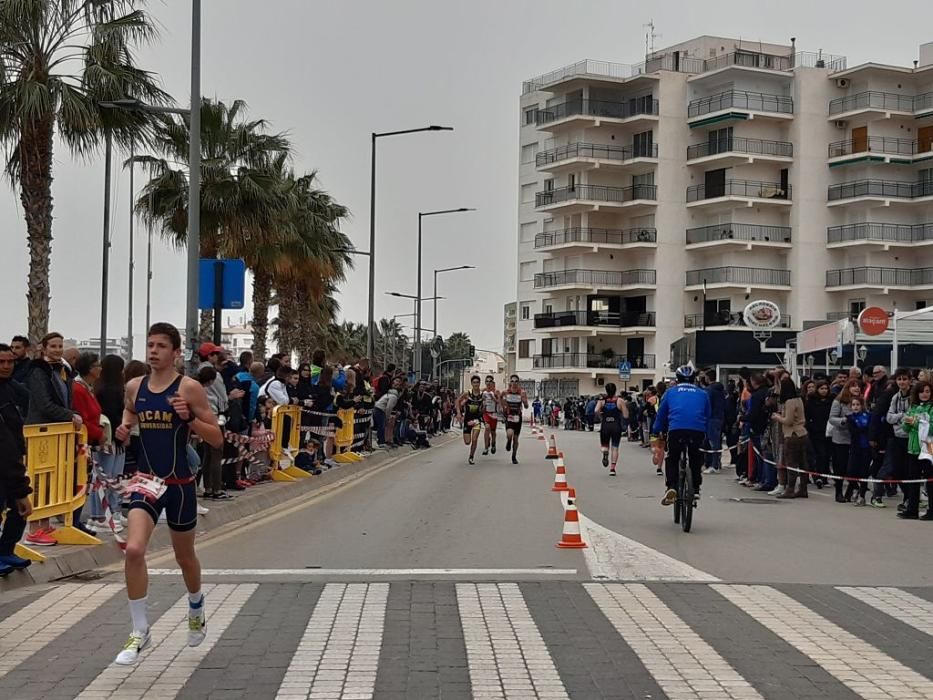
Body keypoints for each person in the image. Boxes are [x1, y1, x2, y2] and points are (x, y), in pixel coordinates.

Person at [113, 322, 222, 665]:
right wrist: (125, 425)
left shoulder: (188, 388)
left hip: (179, 484)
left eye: (161, 345)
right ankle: (140, 630)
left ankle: (195, 605)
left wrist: (188, 419)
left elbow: (216, 439)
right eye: (150, 345)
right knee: (133, 550)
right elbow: (131, 408)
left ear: (176, 353)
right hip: (146, 481)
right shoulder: (134, 386)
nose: (153, 351)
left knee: (184, 557)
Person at [23, 332, 82, 546]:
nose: (57, 350)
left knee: (53, 480)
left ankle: (45, 524)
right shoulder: (38, 371)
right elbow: (43, 403)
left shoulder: (63, 370)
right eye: (53, 346)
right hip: (41, 431)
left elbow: (66, 400)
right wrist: (69, 415)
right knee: (40, 479)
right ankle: (33, 529)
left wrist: (70, 412)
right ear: (44, 348)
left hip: (57, 432)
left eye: (60, 346)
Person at [652, 363, 711, 507]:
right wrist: (706, 433)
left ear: (677, 379)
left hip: (676, 429)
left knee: (672, 457)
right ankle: (695, 488)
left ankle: (671, 486)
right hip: (697, 430)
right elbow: (708, 415)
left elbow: (661, 414)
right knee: (696, 457)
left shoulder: (670, 393)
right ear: (693, 379)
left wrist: (657, 429)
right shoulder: (703, 393)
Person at [0, 344, 33, 576]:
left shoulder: (15, 389)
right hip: (6, 460)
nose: (6, 366)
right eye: (1, 362)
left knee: (20, 509)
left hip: (12, 461)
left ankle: (6, 550)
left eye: (10, 361)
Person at [897, 379, 933, 520]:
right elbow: (905, 428)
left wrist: (916, 422)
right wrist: (907, 422)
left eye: (927, 391)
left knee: (930, 481)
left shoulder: (931, 408)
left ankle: (931, 510)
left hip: (928, 449)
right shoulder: (913, 407)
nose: (924, 394)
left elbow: (930, 427)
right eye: (921, 392)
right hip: (913, 448)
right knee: (913, 480)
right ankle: (912, 509)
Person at [771, 378, 808, 499]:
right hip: (802, 433)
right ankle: (803, 488)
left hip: (792, 434)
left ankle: (790, 489)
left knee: (791, 463)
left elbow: (789, 421)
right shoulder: (799, 399)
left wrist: (778, 417)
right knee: (803, 463)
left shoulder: (789, 402)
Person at [885, 369, 913, 511]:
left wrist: (901, 418)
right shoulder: (895, 397)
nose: (902, 382)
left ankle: (910, 499)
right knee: (897, 470)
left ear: (910, 380)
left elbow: (913, 416)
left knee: (911, 470)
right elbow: (890, 417)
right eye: (899, 379)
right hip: (898, 437)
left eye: (904, 379)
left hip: (912, 438)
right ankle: (907, 496)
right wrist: (901, 416)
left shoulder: (914, 396)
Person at [828, 380, 859, 503]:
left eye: (858, 386)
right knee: (840, 466)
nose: (856, 388)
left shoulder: (860, 401)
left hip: (856, 438)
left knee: (853, 467)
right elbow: (832, 418)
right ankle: (838, 491)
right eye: (853, 386)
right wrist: (843, 420)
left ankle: (850, 491)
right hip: (841, 438)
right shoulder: (839, 401)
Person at [804, 381, 833, 489]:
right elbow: (807, 415)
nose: (824, 391)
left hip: (829, 431)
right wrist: (810, 426)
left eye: (826, 388)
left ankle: (824, 477)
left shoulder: (831, 400)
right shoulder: (811, 401)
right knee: (819, 454)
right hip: (816, 432)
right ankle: (818, 476)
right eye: (822, 389)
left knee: (827, 455)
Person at [846, 395, 873, 506]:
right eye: (853, 405)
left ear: (862, 406)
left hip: (866, 448)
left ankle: (862, 495)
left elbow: (871, 428)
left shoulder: (868, 416)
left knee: (864, 472)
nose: (855, 407)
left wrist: (864, 429)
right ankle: (853, 489)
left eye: (858, 404)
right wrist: (863, 428)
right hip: (855, 448)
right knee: (851, 471)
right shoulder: (850, 418)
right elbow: (854, 431)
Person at [596, 383, 623, 476]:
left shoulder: (602, 401)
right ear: (615, 390)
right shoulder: (619, 400)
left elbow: (596, 410)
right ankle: (612, 468)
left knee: (605, 445)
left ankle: (605, 452)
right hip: (616, 425)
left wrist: (601, 417)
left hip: (605, 425)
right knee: (615, 447)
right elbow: (626, 414)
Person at [501, 375, 529, 464]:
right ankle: (508, 441)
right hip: (509, 416)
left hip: (517, 416)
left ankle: (514, 456)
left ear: (518, 383)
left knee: (516, 439)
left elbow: (526, 406)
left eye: (516, 381)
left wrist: (524, 401)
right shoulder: (506, 392)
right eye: (512, 381)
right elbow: (500, 399)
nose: (514, 383)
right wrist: (503, 407)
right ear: (510, 382)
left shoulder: (522, 392)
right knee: (509, 434)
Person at [458, 375, 485, 465]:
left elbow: (483, 408)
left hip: (477, 420)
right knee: (467, 442)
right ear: (471, 384)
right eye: (474, 382)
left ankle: (471, 456)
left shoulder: (482, 395)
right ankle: (470, 452)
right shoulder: (467, 393)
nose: (476, 384)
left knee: (474, 439)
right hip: (467, 420)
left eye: (477, 382)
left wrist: (483, 408)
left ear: (479, 383)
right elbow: (457, 401)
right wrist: (459, 413)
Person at [704, 379, 726, 474]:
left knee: (713, 442)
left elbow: (708, 405)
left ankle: (714, 465)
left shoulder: (710, 391)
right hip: (720, 417)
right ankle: (717, 462)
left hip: (712, 418)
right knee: (717, 441)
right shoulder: (721, 392)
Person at [481, 376, 500, 456]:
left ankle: (493, 443)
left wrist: (493, 398)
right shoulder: (483, 392)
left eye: (490, 381)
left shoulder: (496, 392)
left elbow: (499, 402)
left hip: (494, 414)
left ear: (493, 383)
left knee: (493, 431)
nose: (488, 383)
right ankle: (486, 448)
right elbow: (479, 401)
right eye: (487, 381)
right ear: (485, 382)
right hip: (486, 413)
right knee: (487, 428)